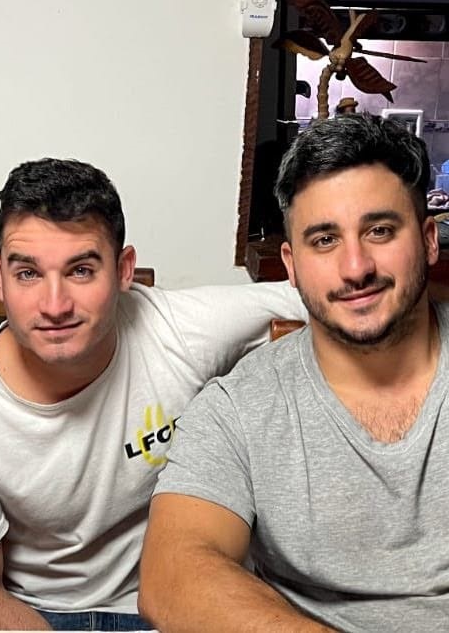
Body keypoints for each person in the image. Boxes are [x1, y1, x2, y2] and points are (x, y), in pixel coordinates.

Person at [0, 157, 308, 630]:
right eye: (28, 274)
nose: (54, 305)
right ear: (1, 277)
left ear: (124, 270)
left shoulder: (178, 330)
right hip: (34, 613)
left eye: (81, 270)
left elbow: (327, 297)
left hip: (167, 601)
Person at [139, 114, 449, 632]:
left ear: (429, 239)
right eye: (324, 240)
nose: (356, 267)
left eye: (379, 230)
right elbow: (172, 577)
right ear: (291, 264)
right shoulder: (237, 409)